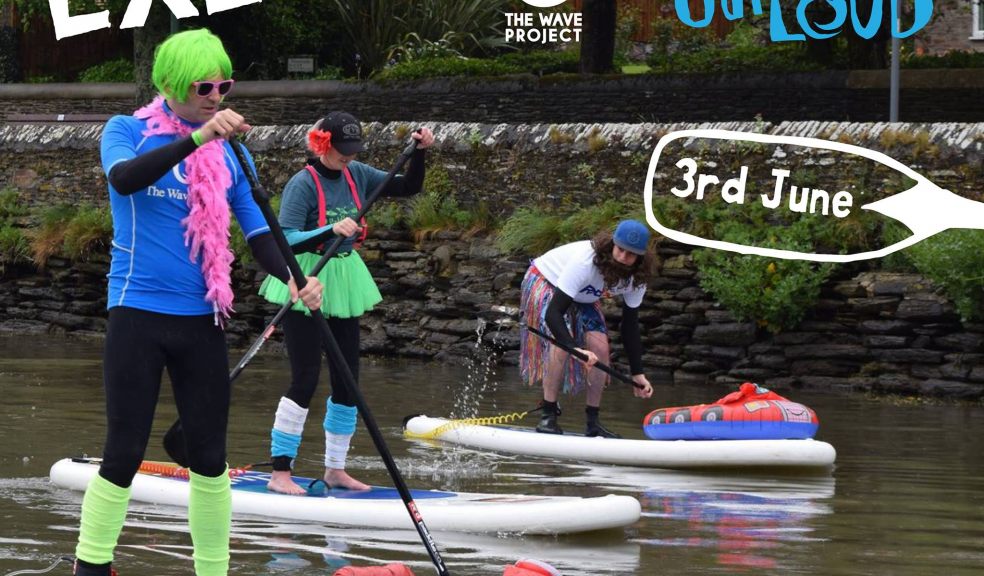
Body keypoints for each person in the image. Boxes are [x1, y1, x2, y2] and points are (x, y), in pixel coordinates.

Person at [73, 29, 322, 576]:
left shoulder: (232, 152)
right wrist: (199, 137)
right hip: (136, 312)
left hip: (201, 320)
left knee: (210, 460)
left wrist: (296, 278)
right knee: (123, 454)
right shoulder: (126, 132)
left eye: (224, 84)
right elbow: (124, 179)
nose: (216, 94)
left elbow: (259, 234)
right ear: (172, 84)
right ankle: (91, 566)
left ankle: (214, 569)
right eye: (203, 85)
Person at [258, 112, 435, 494]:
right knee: (305, 378)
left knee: (347, 381)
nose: (348, 157)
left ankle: (335, 470)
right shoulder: (302, 184)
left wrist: (418, 153)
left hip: (345, 277)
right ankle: (280, 473)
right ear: (322, 144)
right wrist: (330, 229)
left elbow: (407, 187)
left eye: (353, 150)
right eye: (341, 151)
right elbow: (283, 239)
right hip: (306, 278)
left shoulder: (358, 173)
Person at [519, 219, 656, 438]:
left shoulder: (637, 280)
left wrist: (638, 373)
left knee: (600, 350)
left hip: (584, 295)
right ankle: (548, 415)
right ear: (612, 244)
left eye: (630, 255)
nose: (622, 258)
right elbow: (553, 314)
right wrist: (576, 348)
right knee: (562, 346)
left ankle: (593, 422)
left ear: (640, 258)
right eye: (619, 250)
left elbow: (630, 326)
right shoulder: (585, 261)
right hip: (547, 280)